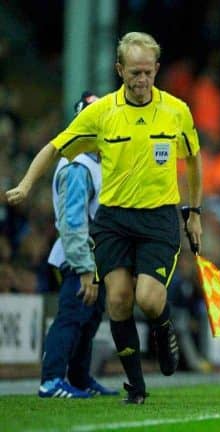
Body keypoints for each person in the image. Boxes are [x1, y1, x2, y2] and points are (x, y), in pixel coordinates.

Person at [5, 32, 203, 404]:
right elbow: (54, 147)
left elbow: (193, 159)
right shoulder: (103, 112)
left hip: (158, 218)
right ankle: (136, 387)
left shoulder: (176, 110)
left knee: (147, 297)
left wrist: (194, 212)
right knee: (117, 300)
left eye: (148, 72)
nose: (141, 80)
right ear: (119, 70)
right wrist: (26, 183)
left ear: (157, 70)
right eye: (134, 73)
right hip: (114, 221)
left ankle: (163, 327)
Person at [39, 91, 118, 398]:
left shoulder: (97, 161)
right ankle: (51, 379)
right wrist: (85, 266)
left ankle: (79, 377)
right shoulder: (78, 165)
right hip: (79, 254)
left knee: (89, 317)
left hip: (94, 254)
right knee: (72, 315)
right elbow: (73, 223)